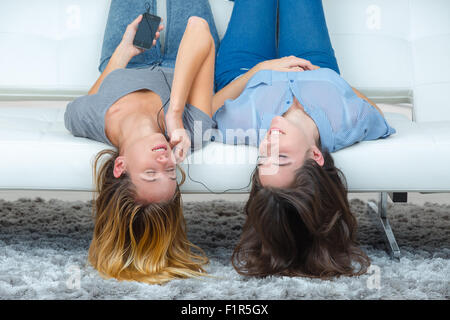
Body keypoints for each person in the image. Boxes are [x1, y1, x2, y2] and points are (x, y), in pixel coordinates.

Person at [212, 0, 396, 278]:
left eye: (263, 158)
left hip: (244, 70)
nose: (268, 145)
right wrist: (328, 78)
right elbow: (377, 115)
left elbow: (210, 108)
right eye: (281, 157)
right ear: (316, 156)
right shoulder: (347, 123)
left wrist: (259, 70)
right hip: (316, 63)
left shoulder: (242, 125)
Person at [64, 0, 219, 284]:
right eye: (171, 172)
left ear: (120, 166)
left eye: (151, 173)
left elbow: (92, 97)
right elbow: (198, 29)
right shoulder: (190, 132)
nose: (165, 161)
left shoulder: (84, 119)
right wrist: (174, 114)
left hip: (129, 58)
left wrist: (124, 50)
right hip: (187, 62)